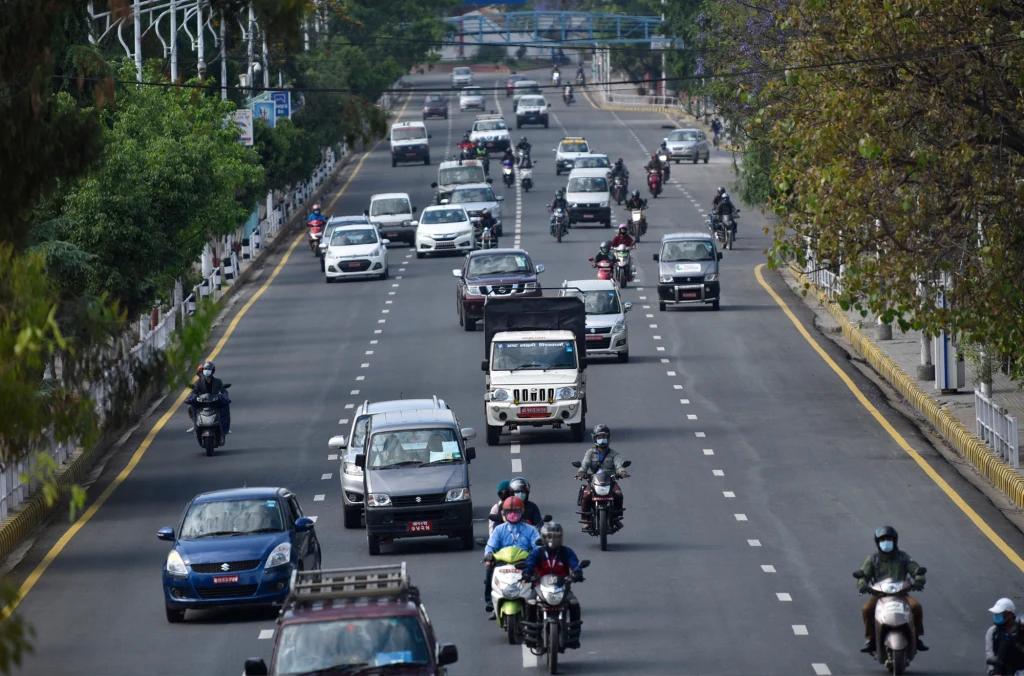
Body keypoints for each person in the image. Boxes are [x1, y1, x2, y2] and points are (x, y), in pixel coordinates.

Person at [857, 526, 928, 654]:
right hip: (879, 596)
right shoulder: (873, 559)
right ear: (878, 542)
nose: (886, 542)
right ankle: (871, 639)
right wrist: (862, 585)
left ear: (895, 541)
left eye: (889, 539)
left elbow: (916, 570)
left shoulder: (903, 557)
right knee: (867, 609)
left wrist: (918, 581)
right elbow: (863, 574)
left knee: (916, 607)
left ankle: (917, 637)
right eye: (883, 539)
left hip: (901, 595)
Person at [522, 522, 583, 648]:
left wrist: (577, 573)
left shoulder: (566, 552)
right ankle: (531, 635)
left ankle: (574, 636)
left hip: (562, 587)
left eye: (556, 537)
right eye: (549, 537)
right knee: (530, 602)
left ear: (561, 538)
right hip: (540, 587)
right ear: (544, 538)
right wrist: (526, 573)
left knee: (574, 603)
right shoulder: (537, 552)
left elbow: (575, 564)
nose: (552, 540)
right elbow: (529, 564)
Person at [484, 497, 541, 615]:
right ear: (504, 513)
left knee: (538, 574)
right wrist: (488, 555)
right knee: (489, 571)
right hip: (503, 563)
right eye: (509, 512)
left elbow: (538, 545)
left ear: (523, 511)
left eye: (516, 511)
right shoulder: (499, 530)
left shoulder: (530, 530)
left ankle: (539, 600)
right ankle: (490, 601)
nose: (513, 515)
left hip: (525, 562)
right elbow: (491, 545)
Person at [576, 424, 628, 529]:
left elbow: (619, 465)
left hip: (610, 480)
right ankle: (587, 520)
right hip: (593, 481)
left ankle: (616, 518)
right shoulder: (590, 453)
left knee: (618, 494)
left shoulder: (614, 454)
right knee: (586, 496)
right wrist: (581, 472)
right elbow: (584, 464)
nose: (602, 439)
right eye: (599, 437)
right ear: (595, 438)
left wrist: (622, 472)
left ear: (608, 438)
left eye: (604, 437)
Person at [185, 361, 231, 441]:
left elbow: (224, 391)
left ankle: (224, 427)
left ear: (212, 370)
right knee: (191, 407)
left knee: (225, 407)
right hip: (202, 402)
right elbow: (194, 391)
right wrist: (194, 397)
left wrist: (224, 396)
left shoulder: (218, 381)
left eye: (209, 369)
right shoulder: (198, 382)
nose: (207, 371)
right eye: (205, 369)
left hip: (214, 401)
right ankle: (196, 425)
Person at [986, 598, 1024, 675]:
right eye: (996, 614)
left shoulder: (1020, 631)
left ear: (1010, 614)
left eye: (1000, 613)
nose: (997, 616)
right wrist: (994, 672)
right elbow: (990, 653)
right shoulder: (993, 632)